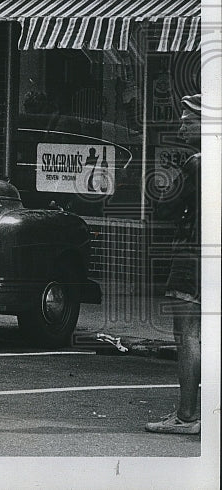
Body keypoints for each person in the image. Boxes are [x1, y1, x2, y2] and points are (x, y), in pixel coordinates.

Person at [145, 93, 201, 435]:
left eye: (188, 120)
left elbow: (164, 206)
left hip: (191, 253)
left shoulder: (196, 162)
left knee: (187, 335)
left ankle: (186, 415)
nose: (181, 124)